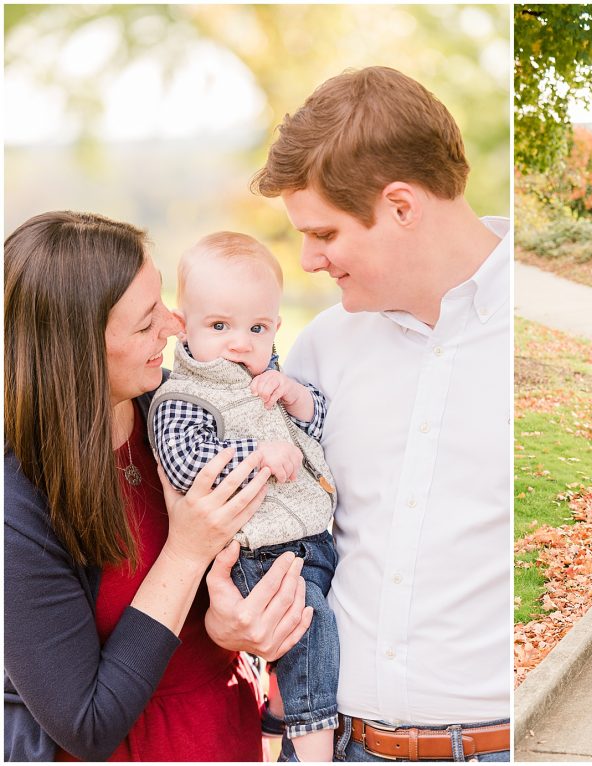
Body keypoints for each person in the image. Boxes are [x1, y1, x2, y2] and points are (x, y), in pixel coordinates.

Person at [203, 66, 511, 761]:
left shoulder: (531, 333)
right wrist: (226, 621)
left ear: (401, 206)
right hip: (337, 744)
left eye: (324, 234)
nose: (307, 260)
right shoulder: (317, 351)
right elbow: (274, 527)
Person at [2, 211, 297, 761]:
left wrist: (233, 624)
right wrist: (187, 551)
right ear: (77, 349)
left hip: (226, 732)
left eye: (163, 301)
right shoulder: (18, 508)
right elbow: (86, 725)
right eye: (145, 323)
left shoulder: (179, 410)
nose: (176, 325)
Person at [148, 232, 339, 762]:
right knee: (310, 626)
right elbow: (186, 460)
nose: (239, 342)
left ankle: (280, 705)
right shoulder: (185, 395)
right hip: (261, 548)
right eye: (219, 326)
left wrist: (297, 398)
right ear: (183, 327)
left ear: (276, 326)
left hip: (309, 537)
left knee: (310, 629)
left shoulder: (269, 378)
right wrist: (256, 453)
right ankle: (313, 739)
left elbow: (321, 428)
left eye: (256, 327)